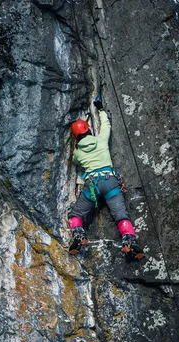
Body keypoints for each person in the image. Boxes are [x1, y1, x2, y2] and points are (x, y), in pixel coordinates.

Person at [67, 95, 143, 259]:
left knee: (76, 216)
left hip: (92, 185)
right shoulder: (101, 141)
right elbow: (106, 125)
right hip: (110, 182)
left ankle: (79, 236)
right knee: (121, 215)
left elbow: (75, 160)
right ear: (88, 129)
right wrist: (100, 108)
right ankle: (130, 241)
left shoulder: (77, 154)